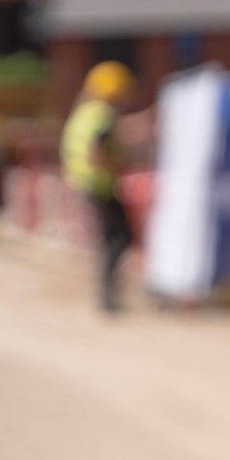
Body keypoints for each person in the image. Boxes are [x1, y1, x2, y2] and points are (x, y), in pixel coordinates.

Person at [61, 60, 137, 313]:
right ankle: (107, 295)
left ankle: (107, 293)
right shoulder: (102, 114)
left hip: (86, 183)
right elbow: (99, 149)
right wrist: (118, 163)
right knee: (120, 237)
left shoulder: (83, 112)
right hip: (100, 185)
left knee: (109, 239)